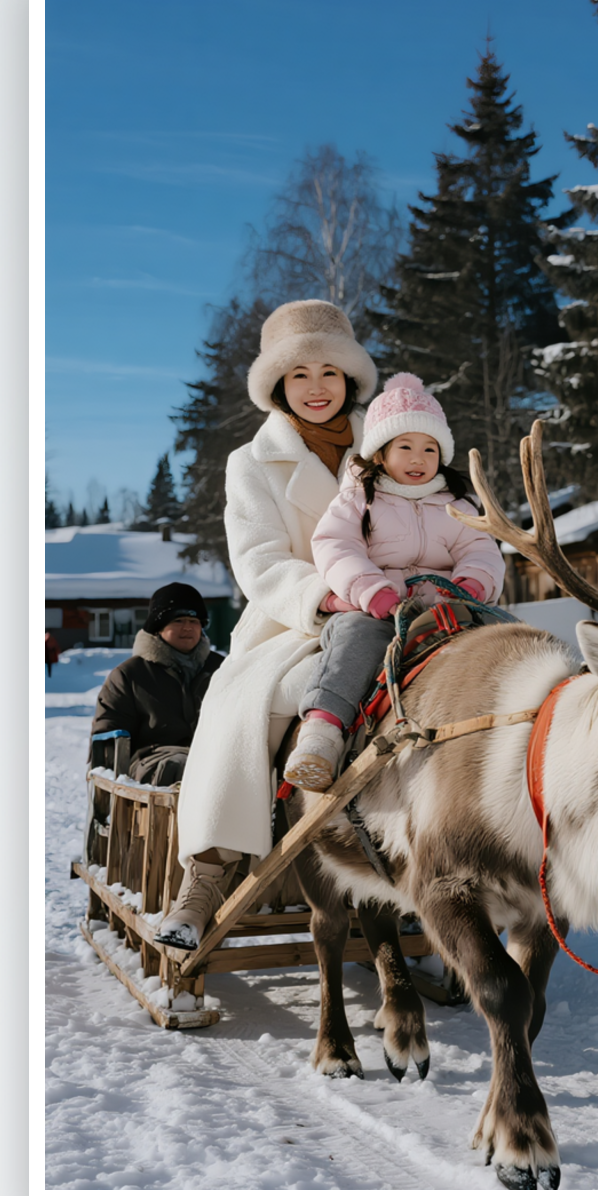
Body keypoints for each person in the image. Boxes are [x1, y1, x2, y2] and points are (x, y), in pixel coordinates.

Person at [156, 299, 378, 949]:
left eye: (329, 373)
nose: (316, 387)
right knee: (248, 708)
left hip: (395, 609)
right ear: (279, 385)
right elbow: (258, 561)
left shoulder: (394, 445)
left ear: (350, 380)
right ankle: (207, 875)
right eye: (300, 374)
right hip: (295, 620)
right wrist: (326, 597)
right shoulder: (251, 463)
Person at [283, 372, 505, 791]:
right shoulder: (359, 498)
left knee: (509, 631)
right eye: (405, 447)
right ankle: (321, 735)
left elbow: (481, 549)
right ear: (380, 453)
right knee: (354, 642)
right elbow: (335, 546)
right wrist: (373, 592)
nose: (418, 458)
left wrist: (472, 587)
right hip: (380, 609)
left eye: (430, 448)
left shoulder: (457, 501)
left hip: (451, 606)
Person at [90, 583, 223, 785]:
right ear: (158, 627)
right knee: (182, 765)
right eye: (178, 620)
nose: (187, 627)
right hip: (151, 760)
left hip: (213, 753)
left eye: (194, 621)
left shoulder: (222, 669)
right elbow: (108, 730)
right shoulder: (130, 675)